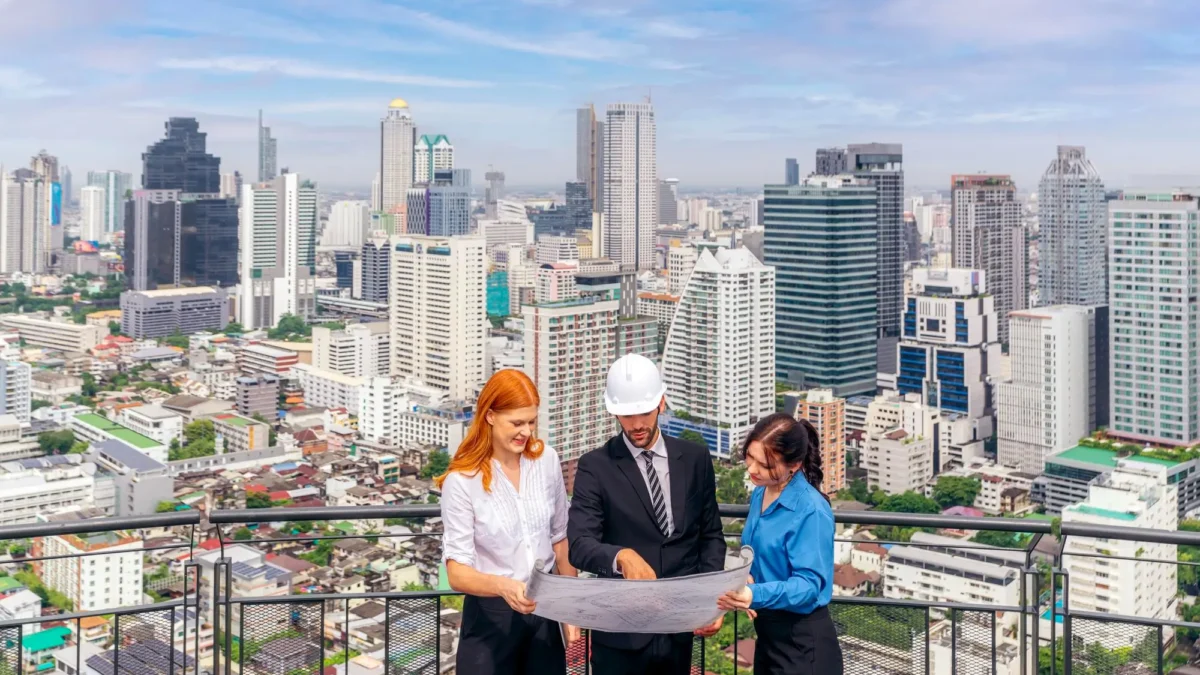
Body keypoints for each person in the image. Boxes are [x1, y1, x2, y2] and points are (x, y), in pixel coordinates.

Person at [567, 354, 726, 675]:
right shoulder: (595, 466)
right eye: (626, 415)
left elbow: (710, 536)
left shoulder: (695, 459)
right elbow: (579, 544)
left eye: (644, 412)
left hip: (678, 630)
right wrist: (619, 556)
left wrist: (710, 601)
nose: (637, 424)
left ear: (662, 403)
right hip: (619, 636)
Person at [437, 369, 580, 674]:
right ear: (489, 416)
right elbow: (457, 573)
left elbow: (560, 539)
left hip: (545, 610)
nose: (526, 432)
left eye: (531, 422)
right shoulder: (462, 481)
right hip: (490, 619)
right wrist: (503, 587)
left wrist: (571, 609)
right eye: (516, 423)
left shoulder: (547, 461)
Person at [717, 413, 844, 675]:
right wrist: (749, 580)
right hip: (768, 637)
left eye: (764, 464)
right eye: (750, 458)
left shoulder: (811, 510)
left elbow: (809, 586)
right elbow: (758, 554)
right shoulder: (762, 491)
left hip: (803, 643)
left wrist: (756, 594)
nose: (752, 469)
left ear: (794, 465)